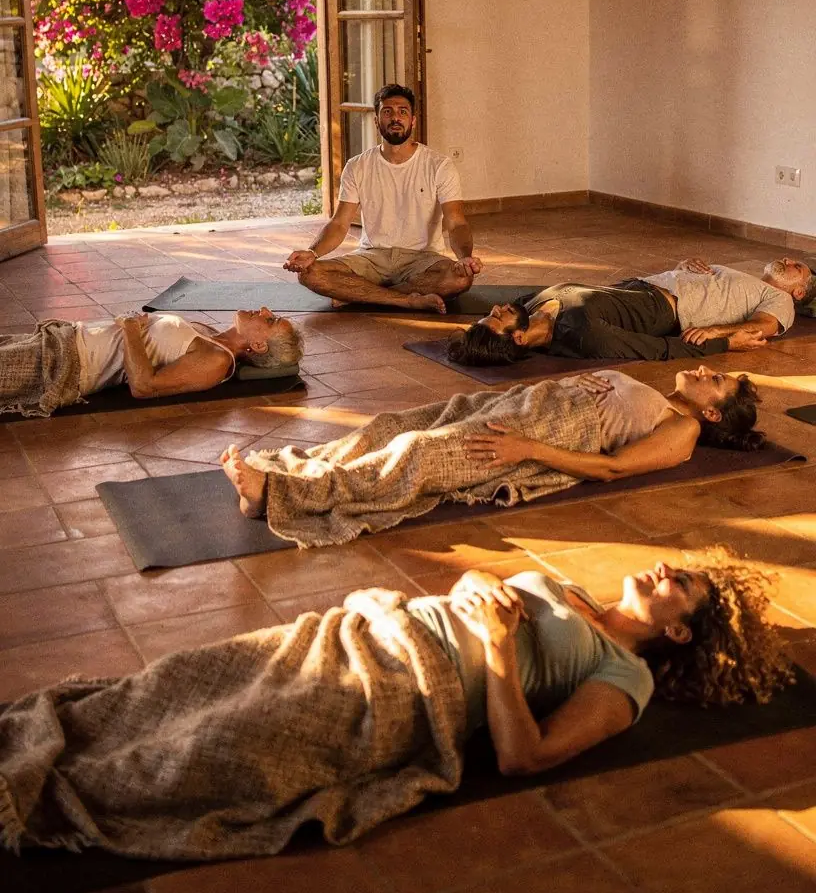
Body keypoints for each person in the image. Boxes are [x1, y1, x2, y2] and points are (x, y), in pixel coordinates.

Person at [0, 551, 793, 860]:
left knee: (204, 745)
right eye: (674, 565)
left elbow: (524, 756)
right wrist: (478, 585)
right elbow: (478, 585)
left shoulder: (626, 680)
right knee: (168, 683)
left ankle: (33, 793)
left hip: (404, 690)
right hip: (363, 630)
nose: (662, 568)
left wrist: (490, 647)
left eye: (679, 583)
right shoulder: (575, 592)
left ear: (682, 630)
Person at [220, 365, 762, 546]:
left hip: (546, 432)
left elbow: (613, 468)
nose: (706, 372)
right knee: (394, 424)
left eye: (715, 383)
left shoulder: (683, 429)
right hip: (525, 402)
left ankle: (282, 495)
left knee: (418, 452)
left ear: (712, 414)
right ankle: (293, 467)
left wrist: (527, 449)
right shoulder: (661, 396)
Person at [283, 82, 482, 313]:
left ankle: (359, 293)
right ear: (377, 120)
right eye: (387, 112)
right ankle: (406, 299)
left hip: (423, 260)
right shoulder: (357, 166)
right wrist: (312, 253)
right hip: (371, 258)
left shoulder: (439, 166)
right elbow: (339, 223)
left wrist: (465, 258)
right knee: (309, 274)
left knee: (460, 280)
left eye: (402, 112)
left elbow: (456, 222)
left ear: (413, 120)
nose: (395, 118)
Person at [447, 256, 816, 367]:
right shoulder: (585, 333)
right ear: (519, 337)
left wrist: (685, 271)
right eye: (496, 317)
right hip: (662, 300)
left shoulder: (780, 299)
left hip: (647, 285)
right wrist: (723, 340)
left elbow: (765, 325)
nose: (496, 307)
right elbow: (656, 349)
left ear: (798, 293)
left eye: (796, 266)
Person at [0, 308, 303, 418]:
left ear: (259, 346)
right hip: (63, 337)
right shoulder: (210, 335)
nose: (264, 310)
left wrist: (131, 328)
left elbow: (144, 386)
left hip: (63, 365)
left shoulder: (216, 362)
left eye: (271, 319)